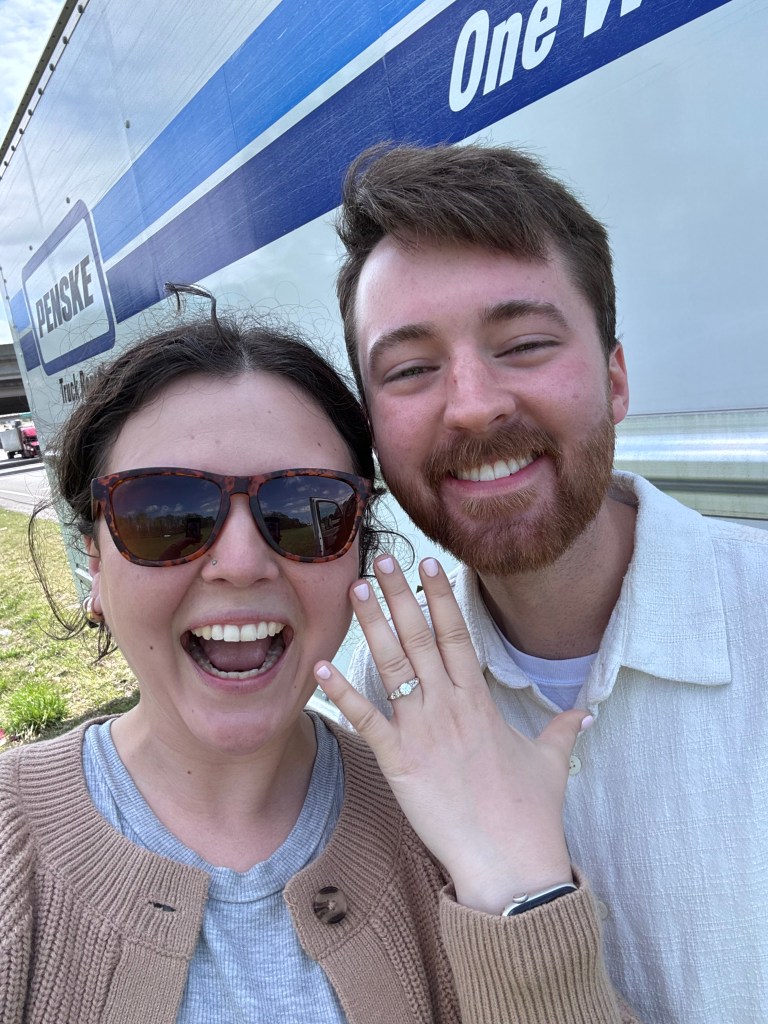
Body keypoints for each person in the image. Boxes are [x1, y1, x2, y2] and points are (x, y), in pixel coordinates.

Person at [0, 291, 639, 1024]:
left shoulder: (443, 820)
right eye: (165, 512)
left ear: (356, 557)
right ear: (94, 561)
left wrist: (519, 893)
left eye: (306, 511)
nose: (242, 564)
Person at [335, 142, 768, 1024]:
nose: (473, 405)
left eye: (525, 345)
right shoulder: (367, 703)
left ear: (615, 379)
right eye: (410, 370)